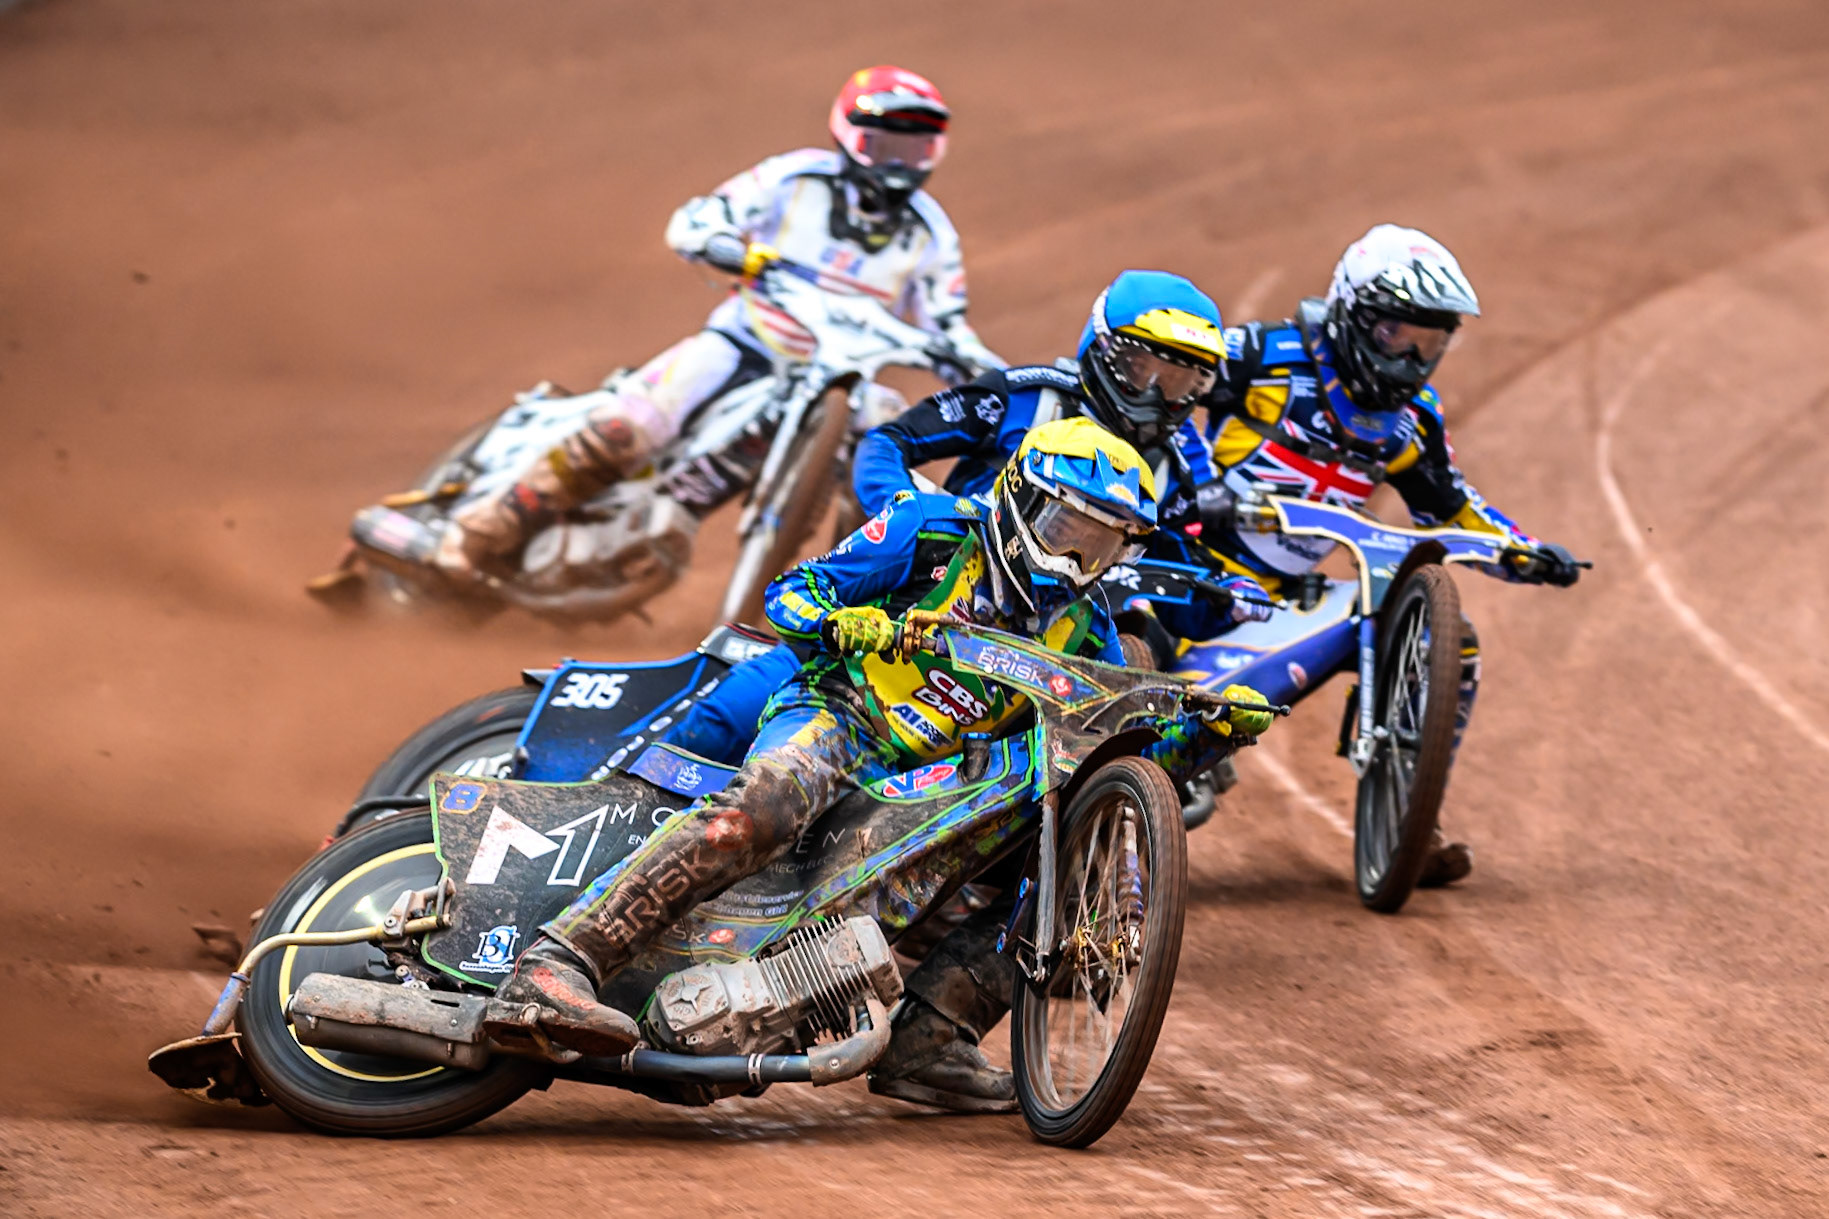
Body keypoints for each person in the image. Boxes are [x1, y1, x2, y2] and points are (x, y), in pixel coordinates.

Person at [484, 419, 1275, 1111]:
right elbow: (790, 594)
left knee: (1060, 866)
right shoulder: (930, 528)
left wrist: (1213, 735)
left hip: (934, 785)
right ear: (1022, 498)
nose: (1074, 557)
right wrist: (843, 623)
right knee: (765, 804)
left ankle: (931, 1039)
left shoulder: (1087, 632)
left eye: (1100, 542)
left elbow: (1117, 758)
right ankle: (559, 960)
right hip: (838, 715)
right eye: (1067, 525)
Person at [439, 65, 998, 577]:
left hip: (842, 377)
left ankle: (864, 580)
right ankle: (479, 534)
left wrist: (980, 370)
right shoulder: (794, 179)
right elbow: (705, 215)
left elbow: (947, 320)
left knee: (885, 436)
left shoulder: (931, 233)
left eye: (914, 146)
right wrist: (720, 243)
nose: (899, 162)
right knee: (625, 429)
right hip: (745, 343)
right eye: (886, 144)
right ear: (850, 137)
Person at [1195, 223, 1584, 885]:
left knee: (1450, 640)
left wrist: (1522, 551)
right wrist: (1185, 486)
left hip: (1288, 595)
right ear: (1350, 311)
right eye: (1395, 337)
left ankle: (1411, 813)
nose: (1409, 361)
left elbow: (1449, 507)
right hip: (1192, 567)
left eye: (1428, 344)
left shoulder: (1412, 420)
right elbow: (1156, 393)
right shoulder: (1260, 355)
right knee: (1125, 622)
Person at [853, 268, 1273, 645]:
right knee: (839, 613)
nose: (1159, 400)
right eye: (1145, 374)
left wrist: (1231, 600)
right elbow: (889, 440)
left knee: (1141, 642)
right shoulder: (1027, 397)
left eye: (1181, 385)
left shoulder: (1169, 473)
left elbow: (1186, 608)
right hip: (947, 576)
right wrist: (904, 512)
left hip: (1055, 635)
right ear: (1104, 349)